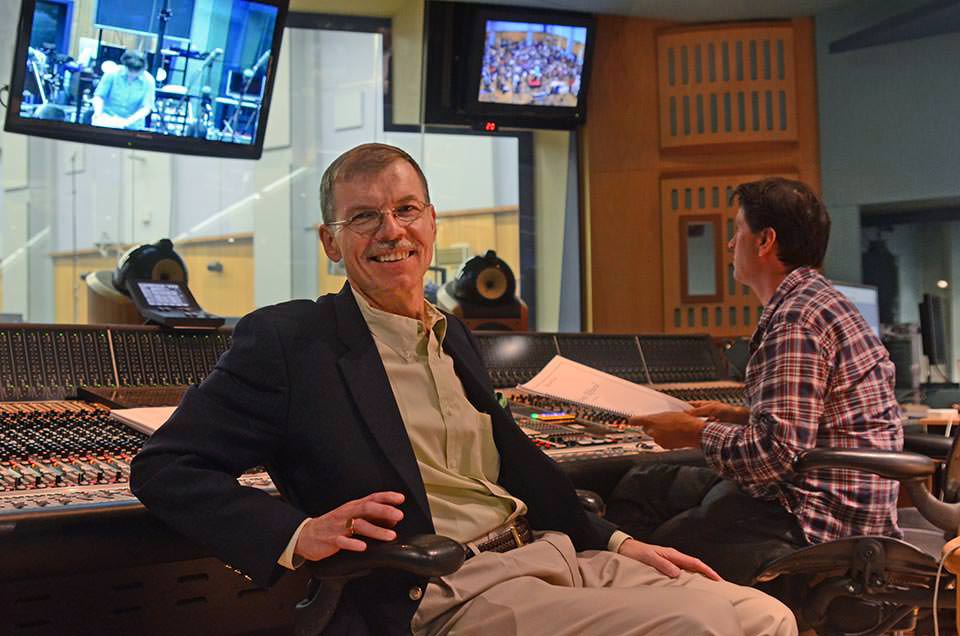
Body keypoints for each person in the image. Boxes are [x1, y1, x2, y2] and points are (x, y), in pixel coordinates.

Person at [130, 144, 797, 636]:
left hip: (545, 551)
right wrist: (298, 532)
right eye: (363, 218)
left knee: (765, 617)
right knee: (699, 628)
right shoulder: (290, 341)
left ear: (432, 223)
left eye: (405, 210)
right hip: (443, 587)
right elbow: (167, 466)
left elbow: (518, 471)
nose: (391, 231)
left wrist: (619, 542)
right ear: (330, 243)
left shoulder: (453, 335)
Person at [606, 177, 903, 585]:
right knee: (644, 485)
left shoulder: (796, 319)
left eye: (737, 231)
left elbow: (775, 454)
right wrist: (739, 416)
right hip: (824, 498)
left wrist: (694, 433)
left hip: (816, 519)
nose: (730, 245)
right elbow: (813, 422)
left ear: (765, 241)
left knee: (656, 552)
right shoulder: (818, 300)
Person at [91, 49, 155, 130]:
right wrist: (98, 113)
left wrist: (127, 122)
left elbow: (146, 107)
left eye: (137, 71)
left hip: (133, 126)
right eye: (130, 70)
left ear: (144, 68)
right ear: (124, 65)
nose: (133, 74)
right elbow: (99, 96)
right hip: (107, 120)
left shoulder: (149, 80)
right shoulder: (112, 73)